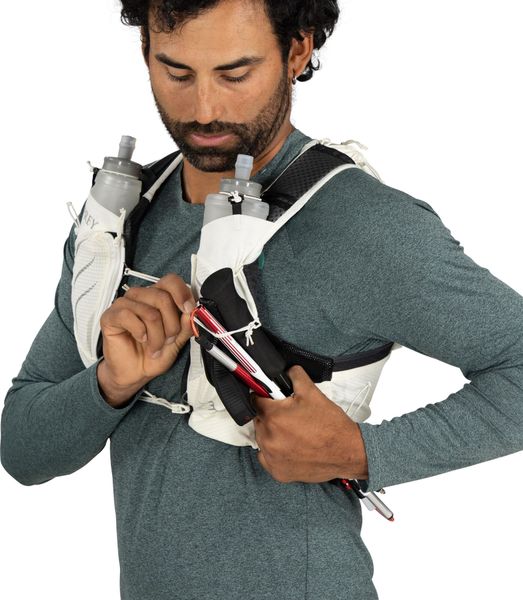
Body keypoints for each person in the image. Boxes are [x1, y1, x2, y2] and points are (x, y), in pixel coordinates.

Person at [1, 1, 522, 599]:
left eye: (235, 73)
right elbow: (22, 450)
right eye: (177, 72)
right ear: (145, 49)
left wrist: (361, 452)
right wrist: (110, 384)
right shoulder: (117, 222)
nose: (204, 109)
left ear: (297, 50)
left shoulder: (362, 226)